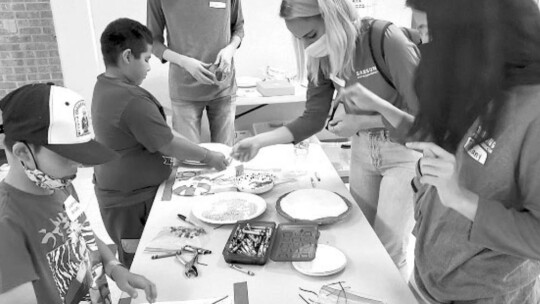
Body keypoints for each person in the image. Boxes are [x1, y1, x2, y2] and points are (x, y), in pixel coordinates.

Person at [232, 0, 421, 275]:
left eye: (310, 35)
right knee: (359, 237)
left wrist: (362, 120)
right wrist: (260, 142)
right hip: (363, 148)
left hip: (404, 150)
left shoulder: (385, 39)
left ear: (333, 17)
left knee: (388, 251)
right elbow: (312, 118)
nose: (308, 46)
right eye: (299, 39)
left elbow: (424, 119)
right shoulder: (322, 56)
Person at [404, 0, 540, 302]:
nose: (423, 47)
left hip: (485, 293)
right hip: (430, 277)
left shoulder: (534, 109)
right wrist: (422, 185)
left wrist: (461, 199)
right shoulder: (474, 82)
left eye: (429, 33)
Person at [0, 83, 157, 304]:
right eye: (67, 155)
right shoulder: (7, 225)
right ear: (23, 153)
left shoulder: (58, 184)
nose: (78, 164)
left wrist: (114, 267)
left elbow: (82, 235)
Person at [92, 18, 229, 268]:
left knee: (147, 257)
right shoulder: (129, 98)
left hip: (126, 194)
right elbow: (168, 144)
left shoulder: (106, 85)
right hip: (130, 203)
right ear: (126, 57)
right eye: (146, 59)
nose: (148, 68)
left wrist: (202, 152)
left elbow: (163, 133)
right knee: (141, 263)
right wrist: (209, 157)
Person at [147, 0, 245, 146]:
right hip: (184, 89)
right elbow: (152, 41)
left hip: (223, 87)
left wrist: (230, 49)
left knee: (225, 157)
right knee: (188, 160)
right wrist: (183, 61)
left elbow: (238, 28)